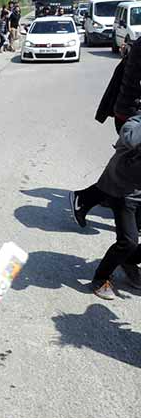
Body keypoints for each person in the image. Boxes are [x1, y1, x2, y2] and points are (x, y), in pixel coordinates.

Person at [71, 39, 141, 225]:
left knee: (127, 172)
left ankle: (89, 199)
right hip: (132, 119)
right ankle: (87, 198)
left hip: (129, 115)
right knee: (127, 173)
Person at [83, 114, 141, 299]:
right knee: (128, 241)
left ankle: (128, 261)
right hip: (125, 191)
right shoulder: (136, 123)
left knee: (130, 247)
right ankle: (101, 278)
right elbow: (130, 138)